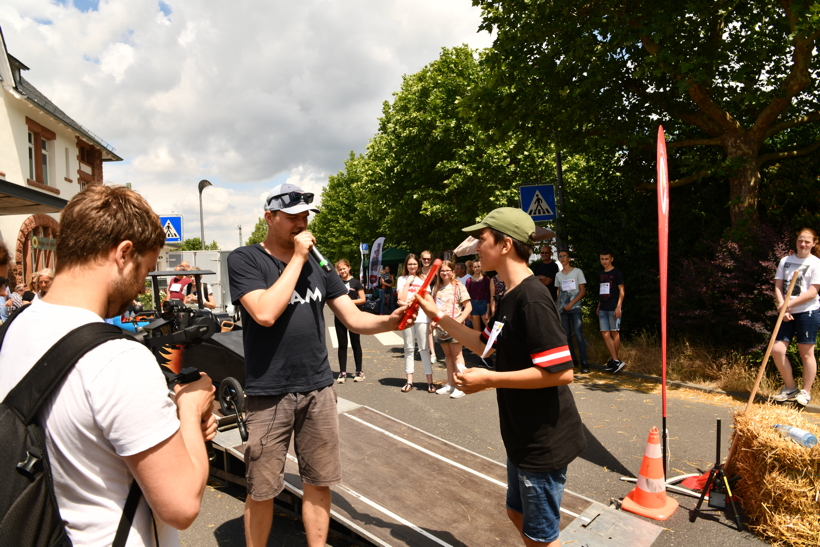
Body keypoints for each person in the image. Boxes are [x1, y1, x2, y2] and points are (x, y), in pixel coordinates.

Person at [0, 185, 216, 546]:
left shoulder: (14, 328)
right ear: (124, 253)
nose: (138, 289)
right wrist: (190, 409)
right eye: (144, 271)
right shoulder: (117, 358)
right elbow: (181, 506)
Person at [227, 183, 414, 547]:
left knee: (319, 479)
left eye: (305, 216)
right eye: (292, 217)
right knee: (262, 487)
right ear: (269, 217)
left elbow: (352, 319)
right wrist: (297, 259)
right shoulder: (246, 259)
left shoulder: (318, 263)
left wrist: (390, 321)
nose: (301, 224)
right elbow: (264, 313)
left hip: (318, 387)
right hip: (270, 391)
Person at [416, 208, 586, 547]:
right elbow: (486, 346)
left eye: (483, 240)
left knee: (541, 537)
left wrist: (490, 380)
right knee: (516, 514)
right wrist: (438, 316)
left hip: (542, 442)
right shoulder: (509, 294)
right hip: (521, 436)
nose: (477, 248)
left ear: (506, 244)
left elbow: (562, 372)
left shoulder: (532, 298)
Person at [770, 227, 820, 407]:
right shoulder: (786, 261)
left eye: (807, 241)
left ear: (813, 243)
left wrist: (788, 305)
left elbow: (813, 292)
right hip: (787, 312)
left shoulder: (816, 263)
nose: (803, 244)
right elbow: (778, 285)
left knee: (806, 353)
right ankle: (790, 388)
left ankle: (806, 392)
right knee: (777, 350)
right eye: (800, 240)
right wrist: (782, 306)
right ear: (796, 241)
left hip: (807, 311)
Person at [432, 260, 471, 399]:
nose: (445, 273)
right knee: (448, 356)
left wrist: (459, 321)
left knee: (457, 355)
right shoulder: (436, 288)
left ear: (453, 271)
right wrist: (433, 321)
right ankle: (451, 383)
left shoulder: (458, 286)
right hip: (441, 328)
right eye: (442, 270)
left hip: (455, 327)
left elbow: (468, 307)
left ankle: (461, 385)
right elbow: (433, 308)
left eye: (448, 270)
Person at [397, 253, 435, 392]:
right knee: (408, 348)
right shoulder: (402, 279)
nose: (412, 266)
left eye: (414, 264)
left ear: (418, 264)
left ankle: (430, 382)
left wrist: (431, 317)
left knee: (424, 349)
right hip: (407, 316)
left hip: (422, 317)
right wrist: (408, 283)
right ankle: (409, 381)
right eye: (409, 264)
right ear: (406, 266)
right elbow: (400, 298)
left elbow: (428, 298)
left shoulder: (424, 278)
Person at [555, 250, 589, 374]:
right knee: (566, 336)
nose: (562, 258)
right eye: (560, 256)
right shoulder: (558, 275)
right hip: (563, 309)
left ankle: (584, 362)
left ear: (569, 258)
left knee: (579, 334)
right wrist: (558, 307)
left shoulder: (577, 272)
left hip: (575, 308)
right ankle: (572, 360)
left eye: (564, 256)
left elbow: (582, 291)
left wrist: (571, 304)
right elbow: (559, 292)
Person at [334, 259, 366, 383]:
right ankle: (342, 372)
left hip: (353, 316)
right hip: (339, 316)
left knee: (355, 344)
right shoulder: (335, 283)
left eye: (344, 268)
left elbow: (362, 299)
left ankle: (359, 371)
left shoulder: (356, 282)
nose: (342, 271)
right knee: (342, 345)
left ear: (348, 267)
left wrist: (348, 302)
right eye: (340, 269)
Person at [597, 249, 626, 374]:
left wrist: (618, 306)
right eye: (602, 259)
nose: (604, 261)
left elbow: (622, 291)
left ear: (611, 259)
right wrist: (598, 305)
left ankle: (615, 360)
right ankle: (615, 360)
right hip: (603, 307)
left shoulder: (617, 273)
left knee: (614, 332)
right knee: (604, 333)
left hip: (613, 307)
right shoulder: (601, 273)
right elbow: (602, 291)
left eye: (606, 259)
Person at [420, 250, 438, 363]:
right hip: (423, 301)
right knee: (429, 329)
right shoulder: (418, 272)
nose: (426, 261)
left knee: (436, 326)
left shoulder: (435, 271)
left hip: (435, 300)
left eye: (428, 259)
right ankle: (432, 353)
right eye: (424, 259)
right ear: (421, 259)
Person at [466, 258, 494, 334]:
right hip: (473, 305)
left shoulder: (486, 279)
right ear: (472, 268)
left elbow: (489, 295)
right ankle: (479, 346)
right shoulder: (469, 281)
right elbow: (467, 296)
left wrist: (488, 310)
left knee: (490, 329)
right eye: (475, 267)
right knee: (477, 331)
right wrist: (468, 312)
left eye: (479, 266)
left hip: (484, 304)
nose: (477, 268)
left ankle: (493, 345)